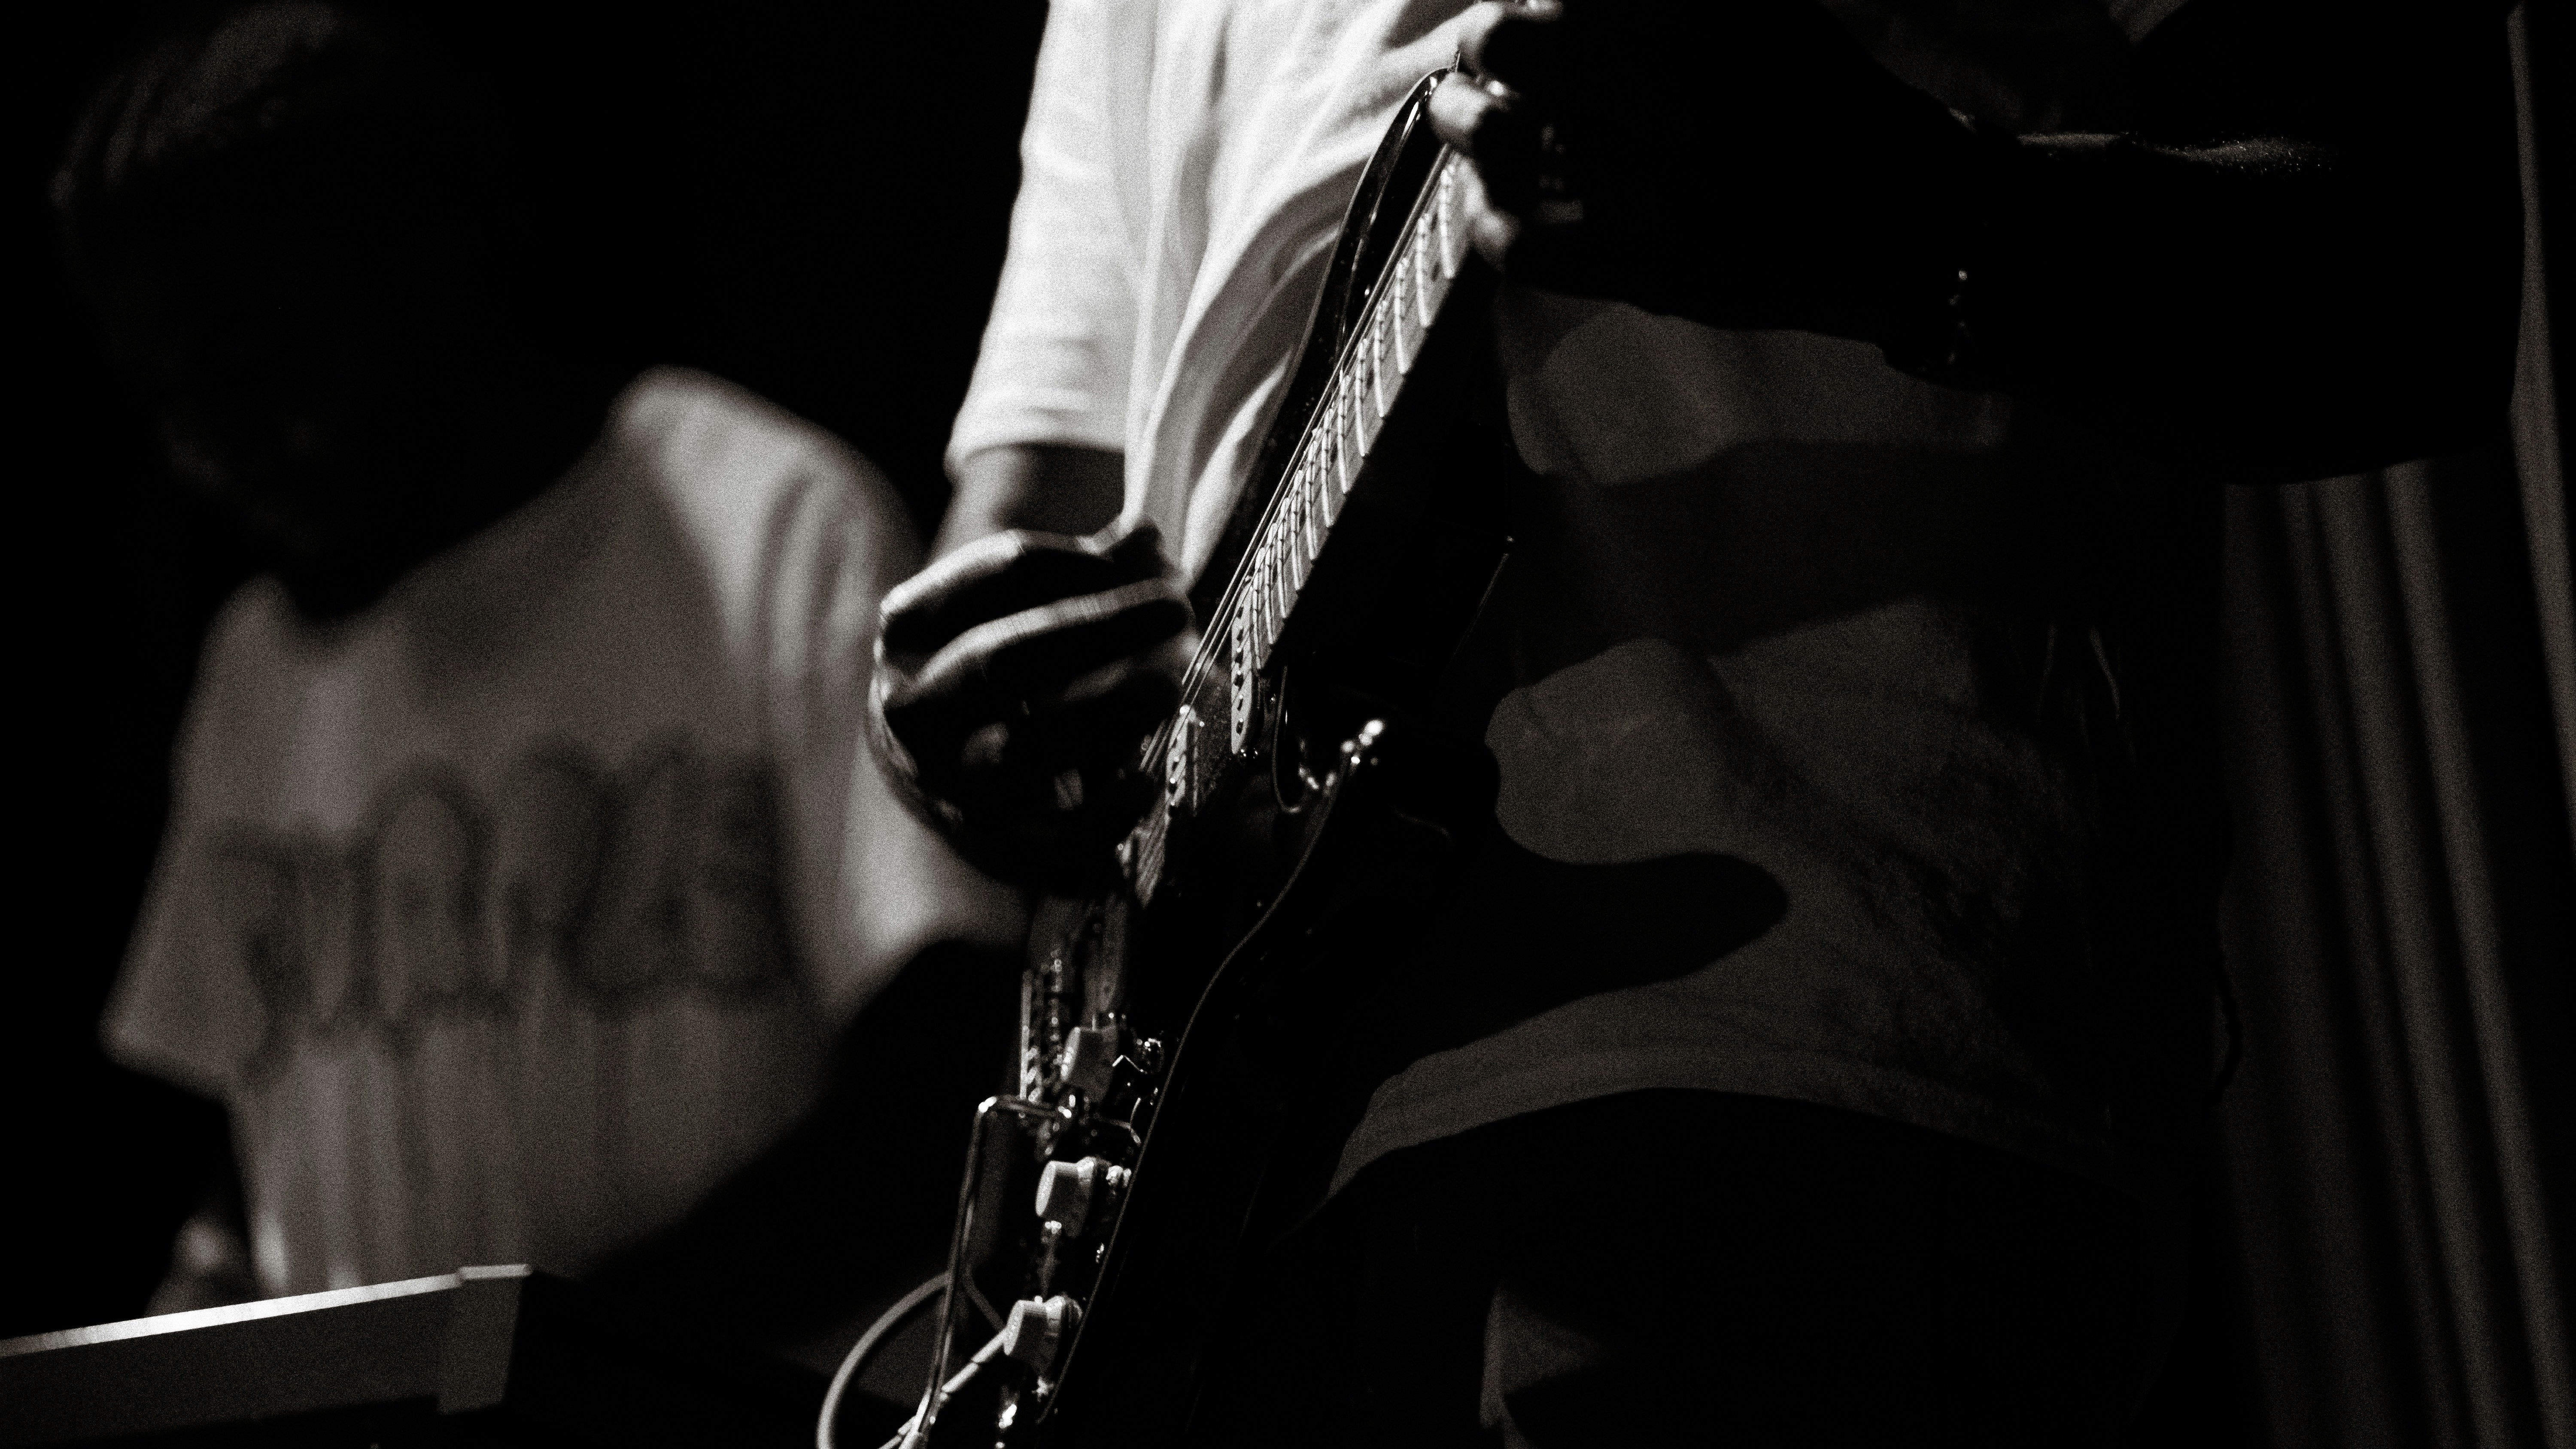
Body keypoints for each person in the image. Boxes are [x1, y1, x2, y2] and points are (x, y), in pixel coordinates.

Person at [867, 0, 2521, 1443]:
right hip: (1182, 1203)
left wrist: (1908, 215)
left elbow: (2415, 274)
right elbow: (1040, 483)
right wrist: (949, 723)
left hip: (1790, 1056)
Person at [57, 1, 1019, 1367]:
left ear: (433, 258)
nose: (213, 445)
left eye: (261, 355)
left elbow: (937, 1098)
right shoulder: (263, 662)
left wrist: (550, 1371)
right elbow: (239, 1140)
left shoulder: (768, 526)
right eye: (168, 396)